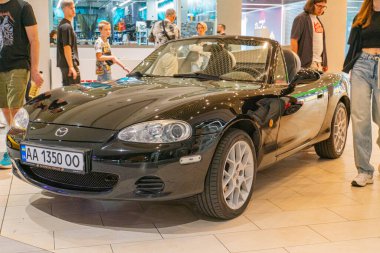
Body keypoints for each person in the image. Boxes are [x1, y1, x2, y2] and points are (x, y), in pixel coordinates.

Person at [0, 0, 43, 169]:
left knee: (15, 108)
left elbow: (34, 40)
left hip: (18, 65)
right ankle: (15, 144)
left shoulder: (23, 7)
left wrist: (34, 70)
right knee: (5, 108)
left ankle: (14, 151)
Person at [343, 0, 380, 187]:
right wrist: (350, 68)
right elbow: (353, 46)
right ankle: (365, 171)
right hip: (361, 67)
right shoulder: (362, 16)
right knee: (360, 118)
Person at [291, 0, 328, 72]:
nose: (321, 9)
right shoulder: (301, 18)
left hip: (319, 63)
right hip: (307, 64)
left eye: (324, 7)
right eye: (319, 6)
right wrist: (295, 62)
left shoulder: (317, 20)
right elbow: (294, 40)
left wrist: (325, 62)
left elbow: (321, 43)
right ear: (311, 4)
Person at [57, 0, 80, 86]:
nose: (74, 10)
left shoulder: (64, 25)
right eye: (71, 8)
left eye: (74, 7)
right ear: (64, 9)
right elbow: (67, 47)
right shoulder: (66, 26)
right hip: (69, 65)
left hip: (66, 65)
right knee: (74, 93)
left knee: (68, 91)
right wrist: (71, 66)